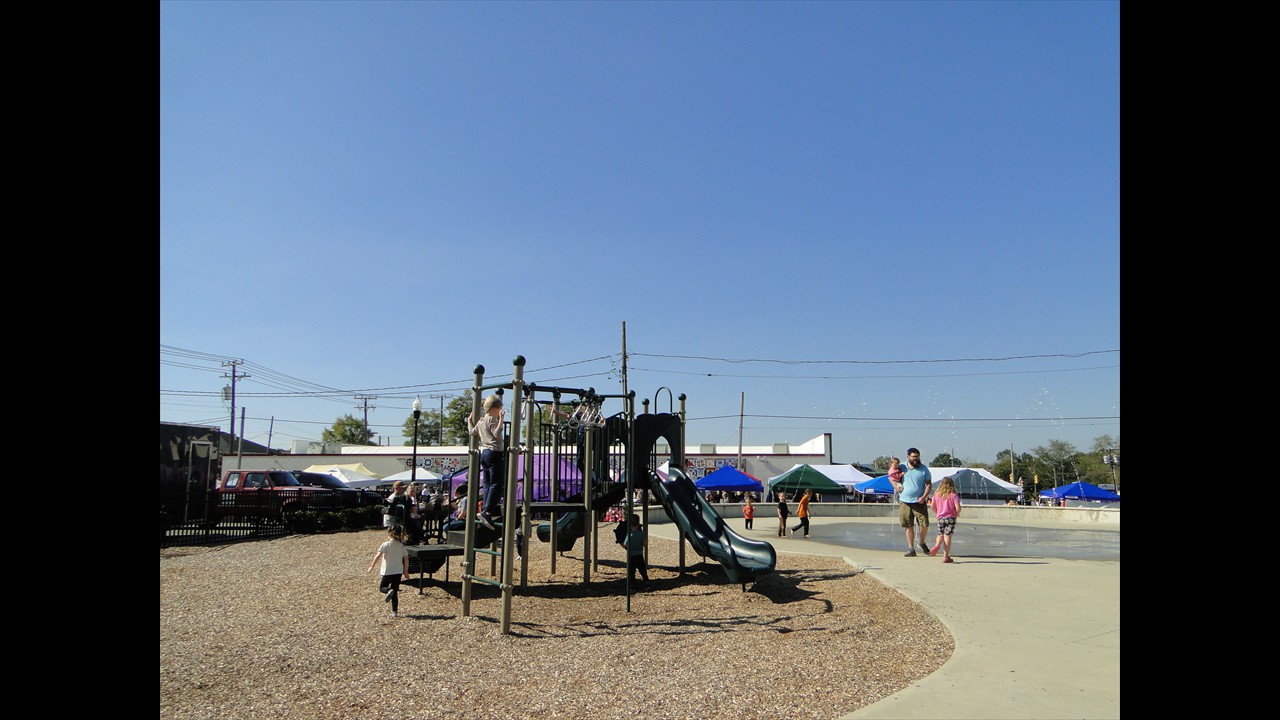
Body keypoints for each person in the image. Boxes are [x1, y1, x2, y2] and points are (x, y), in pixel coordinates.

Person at [467, 394, 505, 530]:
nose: (501, 410)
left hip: (484, 453)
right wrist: (501, 420)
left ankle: (484, 509)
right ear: (495, 408)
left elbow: (472, 432)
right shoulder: (492, 420)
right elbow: (497, 433)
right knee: (497, 483)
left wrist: (469, 421)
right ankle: (487, 511)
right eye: (500, 408)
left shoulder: (481, 421)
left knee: (488, 483)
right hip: (494, 452)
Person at [891, 447, 933, 557]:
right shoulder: (901, 467)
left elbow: (928, 484)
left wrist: (924, 497)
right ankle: (911, 548)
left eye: (917, 457)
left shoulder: (923, 469)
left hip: (919, 501)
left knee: (924, 523)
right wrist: (895, 486)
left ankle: (922, 542)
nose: (916, 459)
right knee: (908, 525)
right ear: (908, 456)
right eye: (913, 457)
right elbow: (890, 476)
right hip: (905, 501)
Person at [367, 525, 409, 618]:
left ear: (390, 534)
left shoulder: (386, 545)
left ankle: (389, 590)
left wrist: (371, 566)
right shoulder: (402, 546)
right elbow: (406, 559)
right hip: (398, 572)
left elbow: (377, 556)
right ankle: (394, 612)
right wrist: (405, 571)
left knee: (382, 588)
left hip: (388, 571)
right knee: (395, 592)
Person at [928, 475, 962, 563]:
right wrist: (957, 513)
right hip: (951, 517)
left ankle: (937, 545)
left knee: (940, 534)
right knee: (947, 536)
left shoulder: (936, 494)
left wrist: (938, 512)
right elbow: (957, 507)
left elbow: (932, 506)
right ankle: (945, 557)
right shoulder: (953, 495)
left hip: (940, 517)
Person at [625, 513, 650, 590]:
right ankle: (646, 583)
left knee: (632, 571)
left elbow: (626, 544)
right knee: (642, 570)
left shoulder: (629, 535)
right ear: (638, 524)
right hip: (639, 554)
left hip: (631, 555)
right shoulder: (640, 534)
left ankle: (632, 585)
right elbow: (644, 543)